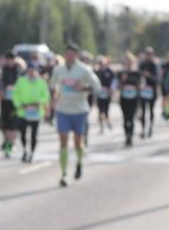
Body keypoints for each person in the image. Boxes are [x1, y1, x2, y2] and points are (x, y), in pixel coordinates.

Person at [48, 43, 101, 186]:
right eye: (67, 54)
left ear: (76, 56)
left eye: (72, 54)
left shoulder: (84, 70)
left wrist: (83, 88)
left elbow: (97, 87)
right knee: (63, 141)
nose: (69, 57)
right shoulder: (58, 70)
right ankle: (64, 174)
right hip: (63, 110)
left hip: (79, 110)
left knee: (78, 142)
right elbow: (52, 86)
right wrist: (53, 99)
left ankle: (79, 162)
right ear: (64, 55)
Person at [12, 61, 51, 162]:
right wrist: (20, 104)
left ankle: (32, 153)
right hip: (23, 112)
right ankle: (25, 150)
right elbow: (15, 94)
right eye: (30, 71)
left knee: (34, 134)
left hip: (36, 112)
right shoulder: (21, 81)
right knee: (23, 134)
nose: (31, 73)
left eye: (33, 71)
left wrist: (39, 103)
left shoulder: (41, 82)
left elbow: (46, 96)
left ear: (36, 71)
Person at [0, 52, 22, 158]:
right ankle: (8, 143)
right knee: (5, 124)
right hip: (5, 102)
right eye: (8, 59)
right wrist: (0, 92)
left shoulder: (19, 71)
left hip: (16, 102)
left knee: (13, 125)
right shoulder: (2, 71)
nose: (9, 61)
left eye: (11, 59)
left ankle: (10, 145)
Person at [118, 53, 142, 148]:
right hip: (124, 98)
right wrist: (122, 82)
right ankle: (126, 134)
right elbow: (117, 86)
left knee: (131, 118)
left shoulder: (137, 73)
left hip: (134, 98)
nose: (128, 64)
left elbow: (141, 85)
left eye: (130, 62)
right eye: (127, 62)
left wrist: (136, 87)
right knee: (125, 118)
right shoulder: (121, 73)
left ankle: (130, 136)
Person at [138, 48, 160, 139]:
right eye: (147, 54)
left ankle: (150, 127)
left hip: (152, 90)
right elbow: (137, 76)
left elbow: (158, 79)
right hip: (143, 90)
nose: (148, 56)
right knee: (143, 111)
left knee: (151, 110)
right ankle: (143, 129)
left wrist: (149, 76)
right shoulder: (142, 64)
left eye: (150, 54)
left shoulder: (154, 65)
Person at [94, 55, 115, 134]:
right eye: (100, 63)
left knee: (106, 110)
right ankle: (101, 126)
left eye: (103, 63)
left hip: (107, 94)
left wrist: (111, 89)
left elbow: (114, 81)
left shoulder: (109, 71)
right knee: (100, 110)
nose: (101, 64)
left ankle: (108, 121)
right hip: (99, 94)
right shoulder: (96, 72)